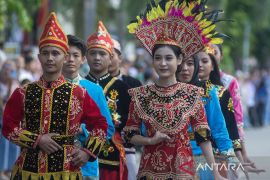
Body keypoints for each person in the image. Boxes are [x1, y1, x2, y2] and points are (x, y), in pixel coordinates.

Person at [124, 0, 228, 179]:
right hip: (150, 171)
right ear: (153, 61)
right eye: (158, 58)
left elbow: (203, 136)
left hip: (183, 170)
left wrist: (216, 172)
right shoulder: (140, 95)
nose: (163, 63)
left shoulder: (192, 94)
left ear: (179, 60)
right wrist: (150, 140)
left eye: (168, 58)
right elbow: (130, 135)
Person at [2, 12, 108, 180]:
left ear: (64, 57)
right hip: (28, 170)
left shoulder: (78, 93)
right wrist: (36, 140)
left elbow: (101, 125)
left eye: (55, 53)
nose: (50, 58)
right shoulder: (23, 92)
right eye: (45, 53)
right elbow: (8, 126)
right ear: (39, 57)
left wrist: (87, 153)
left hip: (67, 171)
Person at [197, 50, 265, 178]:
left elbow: (230, 128)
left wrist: (240, 158)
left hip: (217, 154)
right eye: (195, 61)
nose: (199, 65)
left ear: (213, 66)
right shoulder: (184, 92)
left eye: (205, 61)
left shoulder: (221, 92)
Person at [177, 54, 242, 179]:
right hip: (170, 157)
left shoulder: (207, 91)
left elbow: (219, 128)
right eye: (181, 64)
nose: (185, 68)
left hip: (202, 157)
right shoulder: (163, 92)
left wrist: (233, 159)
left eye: (190, 63)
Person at [62, 34, 115, 180]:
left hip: (85, 166)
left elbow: (108, 128)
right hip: (53, 165)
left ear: (83, 59)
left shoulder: (93, 89)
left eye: (75, 55)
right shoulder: (47, 88)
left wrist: (87, 151)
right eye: (66, 55)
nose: (71, 59)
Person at [85, 21, 131, 180]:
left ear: (111, 57)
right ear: (86, 56)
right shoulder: (79, 85)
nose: (97, 58)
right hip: (80, 154)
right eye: (93, 53)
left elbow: (127, 120)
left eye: (102, 54)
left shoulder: (122, 87)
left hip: (111, 155)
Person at [108, 38, 142, 180]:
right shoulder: (88, 83)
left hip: (126, 147)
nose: (106, 59)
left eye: (111, 55)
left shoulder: (132, 84)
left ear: (120, 57)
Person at [0, 61, 20, 180]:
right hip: (2, 120)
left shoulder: (15, 84)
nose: (8, 72)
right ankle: (2, 169)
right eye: (6, 69)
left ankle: (10, 169)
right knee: (3, 145)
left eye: (11, 70)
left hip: (14, 120)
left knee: (14, 145)